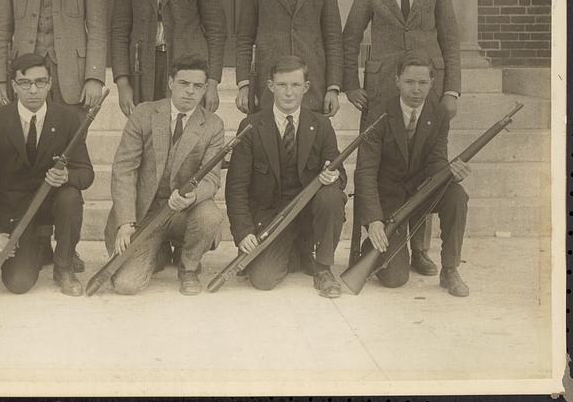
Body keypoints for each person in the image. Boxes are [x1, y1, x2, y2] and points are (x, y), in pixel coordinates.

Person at [0, 0, 106, 271]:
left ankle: (66, 248)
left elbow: (98, 28)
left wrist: (93, 77)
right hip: (27, 80)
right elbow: (2, 29)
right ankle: (36, 240)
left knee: (68, 163)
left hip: (71, 80)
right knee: (26, 159)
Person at [342, 0, 462, 274]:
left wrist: (452, 89)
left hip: (426, 88)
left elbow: (451, 40)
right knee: (378, 167)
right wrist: (351, 84)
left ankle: (420, 250)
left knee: (426, 166)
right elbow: (350, 36)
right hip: (381, 90)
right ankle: (375, 236)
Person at [0, 54, 94, 296]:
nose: (33, 90)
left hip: (52, 205)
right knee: (18, 283)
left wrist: (67, 177)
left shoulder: (67, 118)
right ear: (14, 86)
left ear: (50, 83)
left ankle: (63, 266)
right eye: (25, 83)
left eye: (40, 82)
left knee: (71, 196)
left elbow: (86, 173)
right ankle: (39, 247)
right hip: (13, 213)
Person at [225, 55, 346, 297]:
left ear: (306, 88)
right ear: (271, 87)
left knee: (332, 196)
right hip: (270, 218)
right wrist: (244, 232)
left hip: (307, 217)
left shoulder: (321, 125)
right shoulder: (250, 126)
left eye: (295, 85)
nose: (288, 93)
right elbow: (236, 188)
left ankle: (323, 269)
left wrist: (333, 177)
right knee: (263, 280)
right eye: (282, 85)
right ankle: (294, 254)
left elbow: (341, 175)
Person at [105, 55, 225, 296]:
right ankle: (157, 252)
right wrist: (126, 222)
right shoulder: (144, 113)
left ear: (204, 89)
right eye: (183, 83)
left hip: (183, 212)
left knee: (210, 215)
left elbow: (211, 179)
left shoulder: (213, 125)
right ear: (170, 82)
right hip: (145, 213)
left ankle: (188, 267)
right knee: (126, 285)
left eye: (197, 86)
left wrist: (192, 197)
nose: (190, 91)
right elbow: (124, 169)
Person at [353, 52, 471, 296]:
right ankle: (370, 248)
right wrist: (374, 219)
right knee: (395, 279)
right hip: (389, 198)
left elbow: (436, 161)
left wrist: (452, 173)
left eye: (422, 83)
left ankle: (450, 269)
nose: (416, 89)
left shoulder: (438, 114)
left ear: (432, 83)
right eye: (409, 82)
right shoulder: (379, 113)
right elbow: (365, 170)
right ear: (397, 81)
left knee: (457, 195)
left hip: (421, 192)